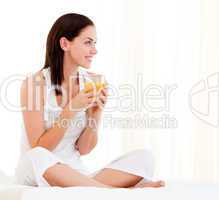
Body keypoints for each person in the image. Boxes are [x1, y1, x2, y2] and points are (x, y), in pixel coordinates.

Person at [15, 13, 165, 188]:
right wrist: (71, 110)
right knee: (38, 155)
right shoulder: (35, 84)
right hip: (38, 168)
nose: (94, 50)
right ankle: (111, 191)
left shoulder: (92, 81)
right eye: (88, 42)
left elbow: (84, 149)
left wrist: (96, 114)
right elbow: (39, 147)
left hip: (76, 171)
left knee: (145, 158)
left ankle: (89, 187)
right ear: (65, 44)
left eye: (94, 43)